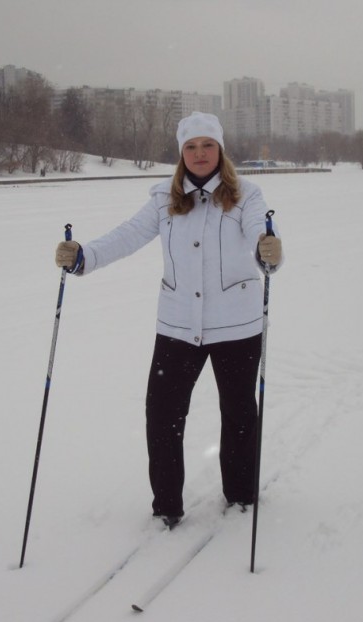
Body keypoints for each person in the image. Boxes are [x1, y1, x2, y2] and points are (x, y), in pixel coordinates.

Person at [56, 112, 283, 529]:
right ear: (181, 153)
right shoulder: (164, 197)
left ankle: (241, 495)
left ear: (220, 150)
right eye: (191, 147)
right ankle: (167, 505)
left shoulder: (246, 195)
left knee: (238, 412)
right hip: (178, 327)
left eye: (207, 145)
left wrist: (266, 250)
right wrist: (84, 256)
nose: (199, 154)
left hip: (236, 326)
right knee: (162, 415)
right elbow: (127, 235)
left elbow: (258, 235)